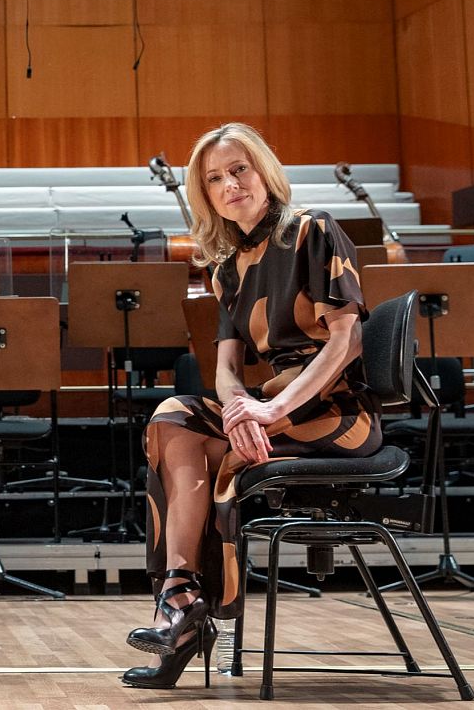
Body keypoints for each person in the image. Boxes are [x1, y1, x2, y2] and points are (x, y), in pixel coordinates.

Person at [121, 122, 380, 689]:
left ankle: (184, 621)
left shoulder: (314, 231)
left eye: (238, 169)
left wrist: (267, 409)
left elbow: (347, 340)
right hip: (274, 408)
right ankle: (181, 593)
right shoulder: (226, 267)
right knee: (172, 419)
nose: (229, 183)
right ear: (206, 195)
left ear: (263, 170)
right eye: (214, 178)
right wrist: (240, 406)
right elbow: (225, 368)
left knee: (223, 452)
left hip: (335, 409)